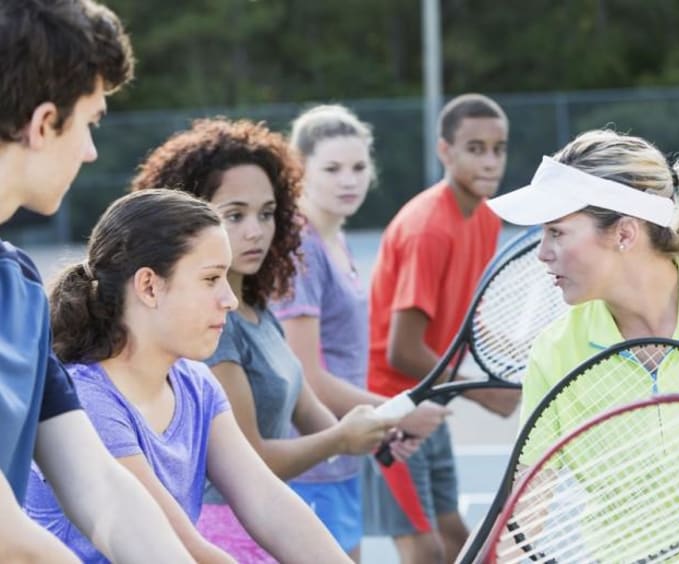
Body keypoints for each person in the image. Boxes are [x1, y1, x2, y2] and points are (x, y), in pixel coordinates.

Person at [129, 117, 416, 563]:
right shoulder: (209, 330)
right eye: (234, 214)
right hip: (225, 535)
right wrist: (341, 439)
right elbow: (251, 460)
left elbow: (306, 407)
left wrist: (375, 432)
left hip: (271, 523)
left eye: (266, 214)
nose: (255, 231)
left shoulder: (259, 310)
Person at [24, 188, 354, 564]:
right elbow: (183, 550)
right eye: (211, 279)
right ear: (149, 286)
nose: (229, 299)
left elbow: (267, 500)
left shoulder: (194, 382)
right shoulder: (88, 400)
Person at [487, 128, 679, 554]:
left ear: (624, 234)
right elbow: (525, 510)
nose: (542, 252)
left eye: (557, 232)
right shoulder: (556, 350)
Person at [0, 1, 194, 561]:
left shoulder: (16, 286)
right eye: (89, 123)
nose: (90, 151)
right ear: (42, 124)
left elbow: (101, 490)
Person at [272, 104, 450, 561]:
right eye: (331, 168)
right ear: (299, 170)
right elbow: (306, 377)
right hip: (310, 464)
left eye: (357, 167)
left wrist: (383, 425)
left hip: (341, 459)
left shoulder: (334, 236)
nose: (348, 180)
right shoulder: (301, 249)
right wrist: (395, 414)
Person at [362, 93, 521, 564]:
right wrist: (483, 391)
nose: (490, 161)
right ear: (445, 152)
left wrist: (510, 356)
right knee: (426, 551)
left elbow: (467, 312)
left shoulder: (486, 217)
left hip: (430, 401)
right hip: (390, 408)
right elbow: (402, 350)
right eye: (475, 148)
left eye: (499, 148)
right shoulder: (428, 228)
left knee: (460, 541)